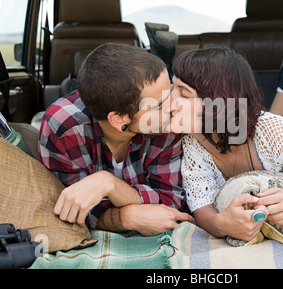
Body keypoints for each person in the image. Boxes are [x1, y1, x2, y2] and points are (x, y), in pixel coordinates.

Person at [169, 46, 283, 242]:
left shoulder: (276, 133)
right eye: (171, 87)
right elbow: (202, 209)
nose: (169, 98)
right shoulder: (192, 143)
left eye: (184, 94)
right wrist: (220, 224)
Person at [39, 43, 193, 236]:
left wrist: (107, 184)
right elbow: (74, 211)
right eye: (160, 105)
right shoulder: (63, 129)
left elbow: (171, 203)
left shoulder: (167, 123)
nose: (175, 106)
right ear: (119, 119)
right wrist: (127, 217)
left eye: (169, 90)